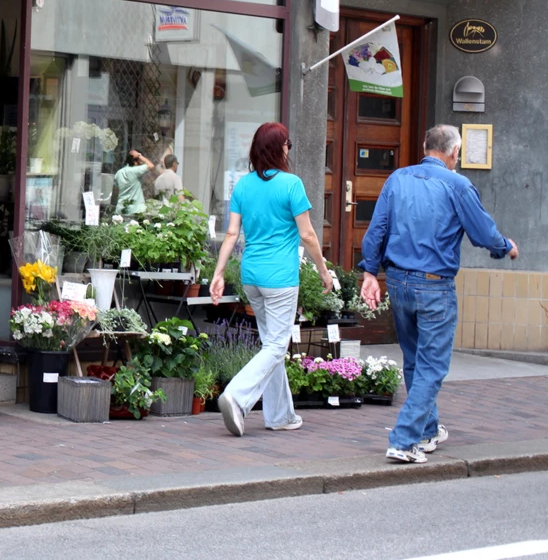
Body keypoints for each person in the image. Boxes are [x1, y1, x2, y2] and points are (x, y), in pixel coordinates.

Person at [359, 124, 517, 464]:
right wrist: (506, 247)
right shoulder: (457, 184)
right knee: (432, 367)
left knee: (415, 361)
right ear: (454, 153)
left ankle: (428, 431)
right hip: (434, 286)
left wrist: (370, 273)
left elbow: (377, 231)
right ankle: (403, 440)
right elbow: (484, 233)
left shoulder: (397, 179)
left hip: (398, 282)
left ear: (426, 146)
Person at [209, 122, 330, 436]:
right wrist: (323, 269)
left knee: (270, 345)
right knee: (276, 346)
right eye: (287, 143)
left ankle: (280, 416)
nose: (289, 148)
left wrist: (218, 272)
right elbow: (307, 234)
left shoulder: (244, 185)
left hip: (251, 276)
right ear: (280, 148)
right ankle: (237, 397)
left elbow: (232, 234)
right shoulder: (291, 184)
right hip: (280, 277)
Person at [113, 149, 155, 215]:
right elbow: (150, 165)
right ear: (137, 160)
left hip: (121, 208)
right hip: (136, 210)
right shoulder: (135, 170)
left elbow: (116, 191)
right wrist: (139, 155)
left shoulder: (118, 173)